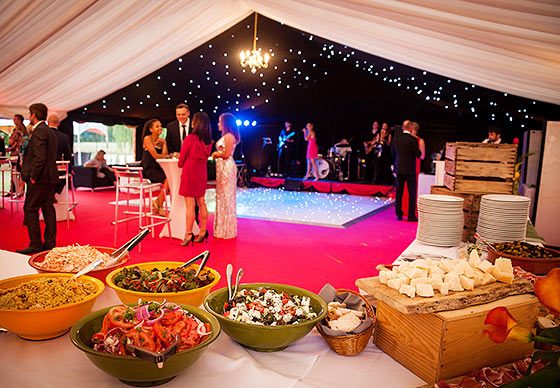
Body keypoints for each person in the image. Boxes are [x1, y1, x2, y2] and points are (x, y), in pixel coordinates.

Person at [16, 103, 58, 254]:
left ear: (33, 115)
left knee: (30, 208)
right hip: (49, 177)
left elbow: (40, 158)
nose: (29, 116)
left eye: (29, 114)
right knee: (48, 208)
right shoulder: (49, 131)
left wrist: (33, 176)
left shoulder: (40, 131)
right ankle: (50, 243)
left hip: (40, 178)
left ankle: (35, 244)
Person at [178, 112, 213, 246]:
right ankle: (203, 231)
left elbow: (181, 159)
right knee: (201, 202)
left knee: (189, 205)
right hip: (201, 172)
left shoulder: (190, 138)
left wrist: (180, 163)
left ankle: (188, 234)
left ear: (196, 123)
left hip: (189, 171)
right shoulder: (209, 141)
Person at [211, 113, 240, 239]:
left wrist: (216, 154)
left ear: (225, 123)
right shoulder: (228, 136)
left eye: (219, 122)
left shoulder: (229, 136)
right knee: (222, 196)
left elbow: (227, 154)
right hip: (222, 167)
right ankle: (222, 228)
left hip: (226, 167)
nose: (218, 124)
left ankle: (226, 230)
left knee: (226, 196)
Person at [391, 120, 420, 222]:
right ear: (411, 128)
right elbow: (418, 154)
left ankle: (399, 214)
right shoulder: (413, 140)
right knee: (412, 193)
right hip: (409, 169)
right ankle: (411, 215)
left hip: (398, 168)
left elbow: (392, 153)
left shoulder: (396, 139)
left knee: (399, 193)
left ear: (403, 128)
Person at [141, 119, 170, 216]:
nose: (160, 128)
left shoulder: (160, 140)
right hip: (148, 169)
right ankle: (160, 205)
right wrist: (169, 156)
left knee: (170, 180)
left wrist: (165, 143)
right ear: (151, 129)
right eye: (157, 126)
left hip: (157, 168)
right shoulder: (147, 138)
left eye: (160, 126)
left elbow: (164, 155)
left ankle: (157, 202)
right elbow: (156, 156)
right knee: (168, 180)